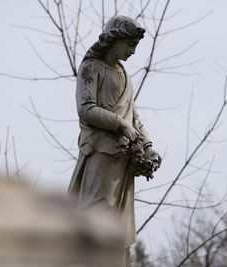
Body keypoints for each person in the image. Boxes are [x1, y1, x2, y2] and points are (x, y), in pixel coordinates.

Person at [68, 16, 161, 265]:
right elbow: (86, 108)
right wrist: (119, 124)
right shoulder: (90, 68)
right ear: (115, 40)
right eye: (130, 45)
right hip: (100, 154)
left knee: (118, 223)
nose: (132, 51)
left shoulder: (123, 74)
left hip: (122, 161)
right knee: (98, 216)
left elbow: (134, 117)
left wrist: (148, 146)